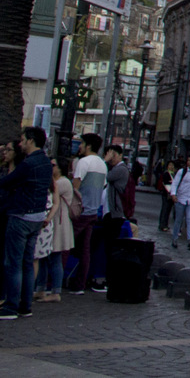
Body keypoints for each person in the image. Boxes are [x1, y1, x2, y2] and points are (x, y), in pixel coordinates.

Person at [0, 128, 53, 318]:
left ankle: (11, 306)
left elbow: (7, 182)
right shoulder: (46, 162)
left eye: (22, 140)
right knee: (27, 262)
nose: (20, 144)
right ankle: (25, 305)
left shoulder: (28, 164)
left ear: (31, 141)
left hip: (21, 215)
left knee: (13, 262)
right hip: (37, 216)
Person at [68, 133, 107, 295]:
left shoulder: (84, 162)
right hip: (93, 211)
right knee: (85, 250)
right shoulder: (102, 164)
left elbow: (75, 187)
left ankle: (52, 283)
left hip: (79, 211)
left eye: (82, 144)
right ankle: (79, 283)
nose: (79, 147)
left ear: (89, 145)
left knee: (64, 246)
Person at [88, 145, 130, 291]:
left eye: (112, 155)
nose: (110, 158)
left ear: (118, 155)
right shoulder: (117, 168)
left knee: (110, 248)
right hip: (109, 214)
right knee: (106, 247)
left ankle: (108, 280)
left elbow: (105, 175)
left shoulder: (121, 169)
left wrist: (104, 161)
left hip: (115, 215)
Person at [34, 158, 72, 303]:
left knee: (55, 258)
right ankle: (40, 289)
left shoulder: (62, 182)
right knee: (43, 258)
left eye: (53, 165)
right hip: (52, 223)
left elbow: (50, 192)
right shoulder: (56, 181)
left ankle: (56, 291)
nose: (50, 167)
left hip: (58, 224)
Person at [168, 155, 190, 251]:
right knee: (178, 220)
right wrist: (173, 194)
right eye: (188, 160)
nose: (188, 162)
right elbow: (175, 183)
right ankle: (174, 239)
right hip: (181, 199)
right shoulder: (182, 172)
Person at [157, 160, 177, 233]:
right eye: (170, 165)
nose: (171, 167)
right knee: (165, 209)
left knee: (168, 210)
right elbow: (166, 184)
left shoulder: (174, 174)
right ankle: (162, 225)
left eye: (172, 165)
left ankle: (165, 224)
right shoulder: (166, 174)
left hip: (171, 195)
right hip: (167, 194)